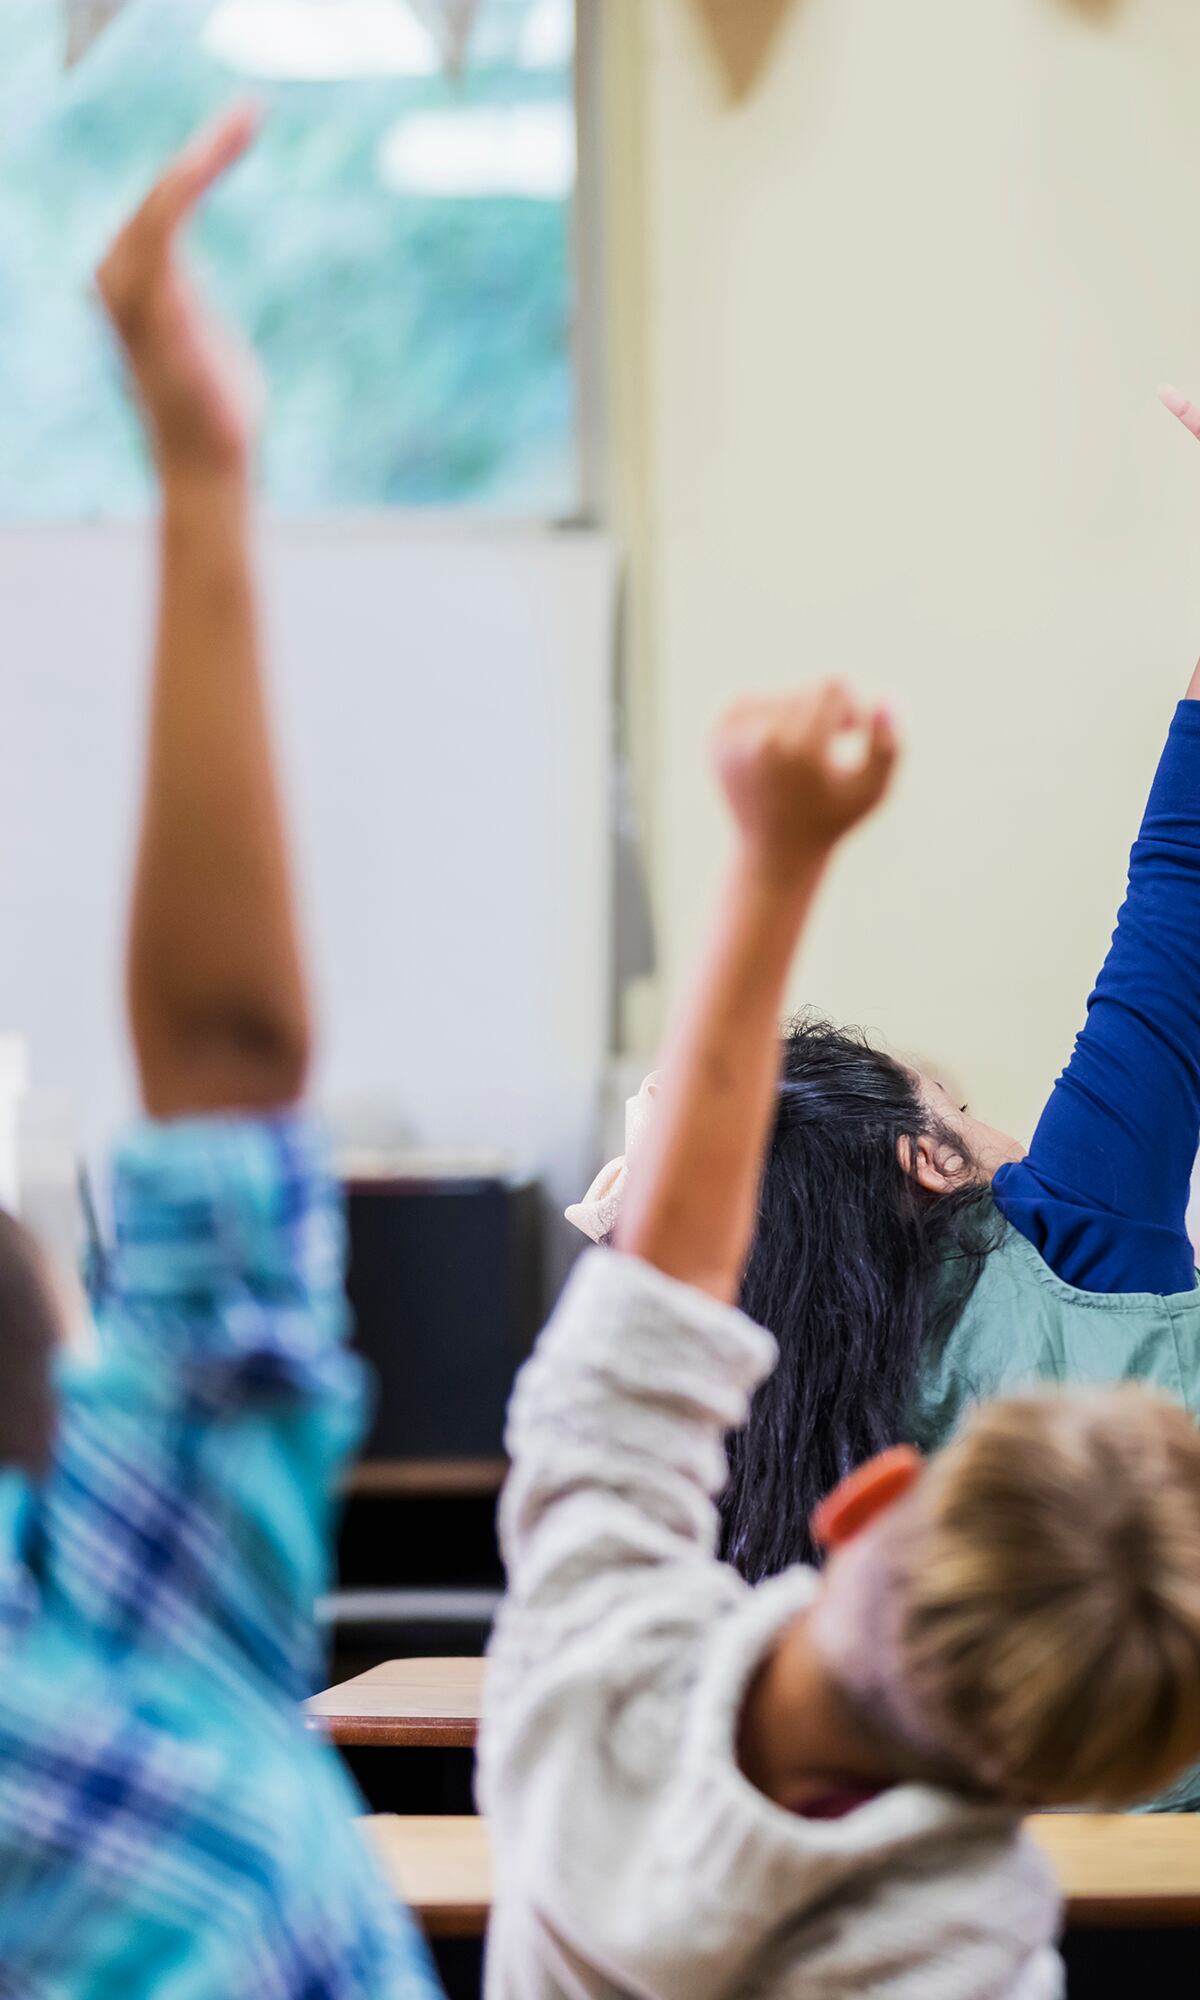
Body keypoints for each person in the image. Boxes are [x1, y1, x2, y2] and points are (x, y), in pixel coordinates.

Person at [570, 282, 1200, 1815]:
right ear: (928, 1160)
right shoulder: (1075, 1239)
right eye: (959, 1101)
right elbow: (1192, 884)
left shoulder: (758, 1425)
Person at [479, 678, 1200, 1998]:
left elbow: (643, 1346)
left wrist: (776, 859)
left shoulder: (587, 1676)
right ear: (1092, 1774)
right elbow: (1187, 912)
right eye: (957, 1103)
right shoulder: (979, 1941)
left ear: (873, 1502)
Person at [0, 107, 439, 1997]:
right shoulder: (128, 1651)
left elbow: (222, 1074)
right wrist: (197, 468)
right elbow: (228, 1061)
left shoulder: (108, 1623)